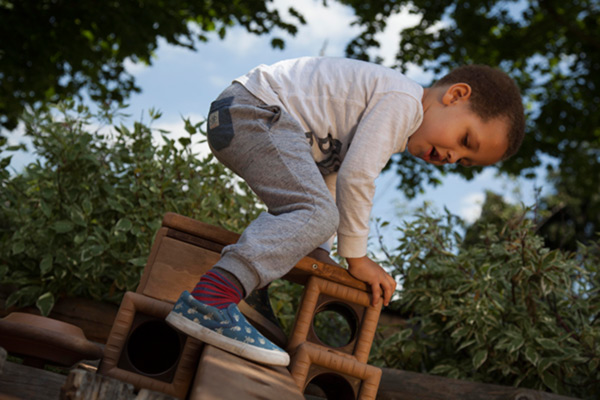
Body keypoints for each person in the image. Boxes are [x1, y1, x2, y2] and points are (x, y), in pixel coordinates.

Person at [166, 56, 525, 367]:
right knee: (313, 212)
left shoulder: (389, 117)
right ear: (456, 95)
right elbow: (357, 176)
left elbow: (330, 176)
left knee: (312, 212)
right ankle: (211, 300)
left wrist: (318, 251)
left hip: (252, 115)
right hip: (255, 110)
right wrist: (357, 257)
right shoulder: (404, 101)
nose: (452, 158)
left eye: (464, 162)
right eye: (466, 141)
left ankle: (252, 293)